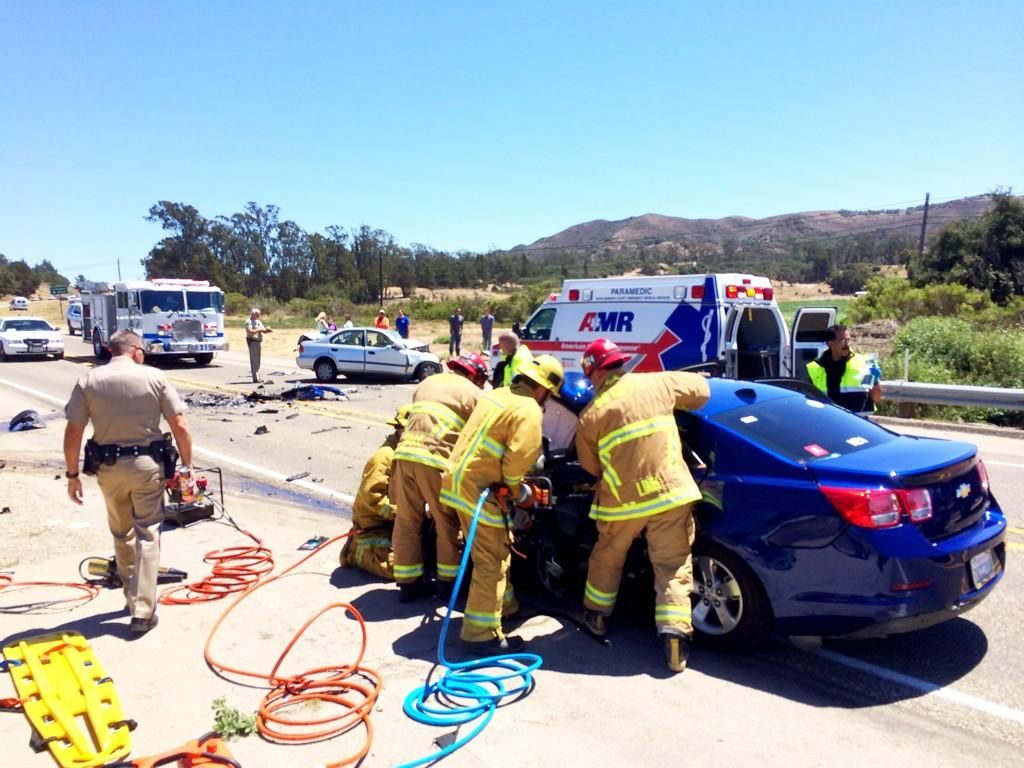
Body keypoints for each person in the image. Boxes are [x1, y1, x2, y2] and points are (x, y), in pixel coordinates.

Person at [574, 338, 709, 674]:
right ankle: (675, 637)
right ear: (620, 363)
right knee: (672, 565)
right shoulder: (658, 382)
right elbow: (703, 392)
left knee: (607, 556)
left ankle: (596, 617)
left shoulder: (591, 415)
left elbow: (591, 468)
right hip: (669, 494)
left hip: (623, 503)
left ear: (595, 372)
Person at [63, 329, 193, 636]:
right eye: (142, 349)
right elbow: (180, 425)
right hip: (146, 467)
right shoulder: (155, 378)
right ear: (135, 350)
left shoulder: (88, 381)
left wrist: (72, 475)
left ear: (111, 351)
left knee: (121, 534)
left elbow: (73, 432)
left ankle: (132, 597)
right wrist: (187, 465)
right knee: (148, 534)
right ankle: (143, 612)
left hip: (108, 470)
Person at [440, 354, 565, 654]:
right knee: (491, 561)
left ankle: (505, 608)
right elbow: (516, 464)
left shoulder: (496, 395)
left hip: (456, 481)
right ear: (544, 390)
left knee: (494, 550)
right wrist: (522, 494)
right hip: (480, 489)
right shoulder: (529, 410)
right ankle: (480, 636)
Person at [390, 353, 489, 602]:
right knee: (447, 523)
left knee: (406, 520)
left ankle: (407, 584)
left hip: (404, 455)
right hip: (435, 460)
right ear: (475, 375)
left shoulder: (428, 382)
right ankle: (448, 585)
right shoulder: (473, 393)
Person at [340, 404, 412, 579]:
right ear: (400, 429)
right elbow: (372, 499)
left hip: (395, 524)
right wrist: (405, 514)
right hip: (375, 527)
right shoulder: (384, 458)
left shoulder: (407, 453)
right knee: (399, 570)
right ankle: (356, 552)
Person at [806, 324, 882, 414]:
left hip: (861, 422)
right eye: (842, 340)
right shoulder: (815, 368)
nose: (847, 344)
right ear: (830, 343)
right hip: (831, 421)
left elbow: (876, 399)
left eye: (848, 339)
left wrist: (875, 382)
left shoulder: (863, 363)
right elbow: (811, 402)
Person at [245, 308, 273, 383]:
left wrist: (267, 330)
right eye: (257, 314)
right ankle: (255, 378)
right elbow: (250, 332)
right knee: (254, 360)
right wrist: (259, 330)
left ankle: (257, 376)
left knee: (258, 361)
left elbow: (263, 330)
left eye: (259, 314)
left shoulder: (258, 322)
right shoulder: (248, 322)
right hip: (252, 341)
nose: (258, 316)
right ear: (253, 314)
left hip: (258, 341)